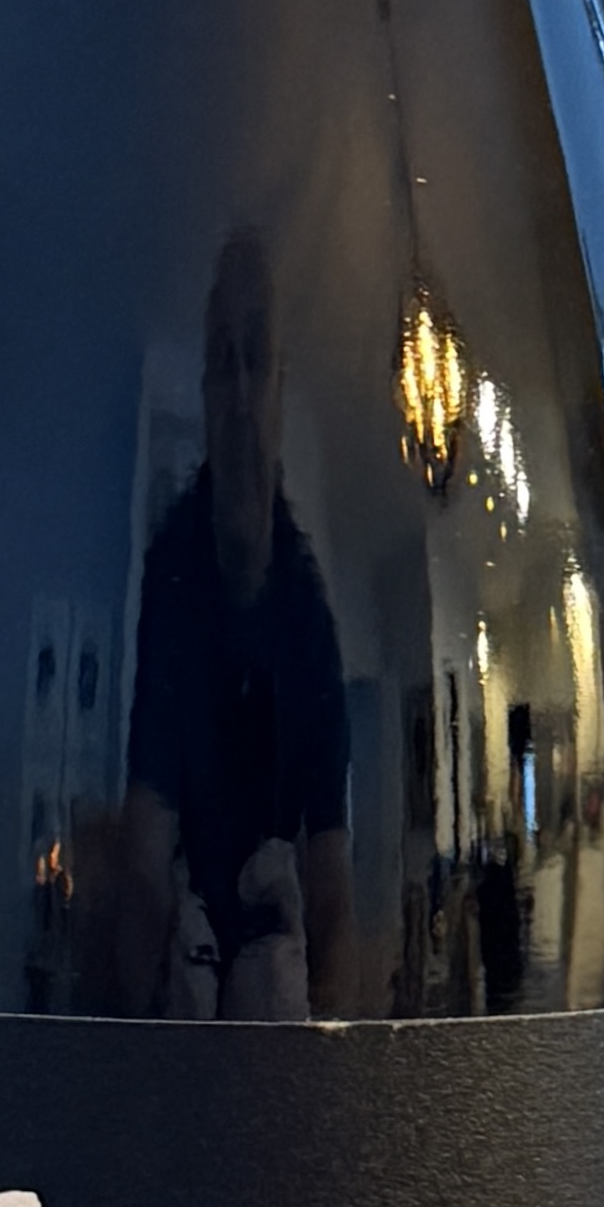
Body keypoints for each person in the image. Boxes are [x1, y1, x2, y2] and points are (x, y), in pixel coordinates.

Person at [118, 228, 354, 1019]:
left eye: (256, 357)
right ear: (205, 390)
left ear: (281, 388)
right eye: (224, 361)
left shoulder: (313, 621)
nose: (242, 391)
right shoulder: (166, 587)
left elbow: (331, 885)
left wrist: (320, 1056)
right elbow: (143, 860)